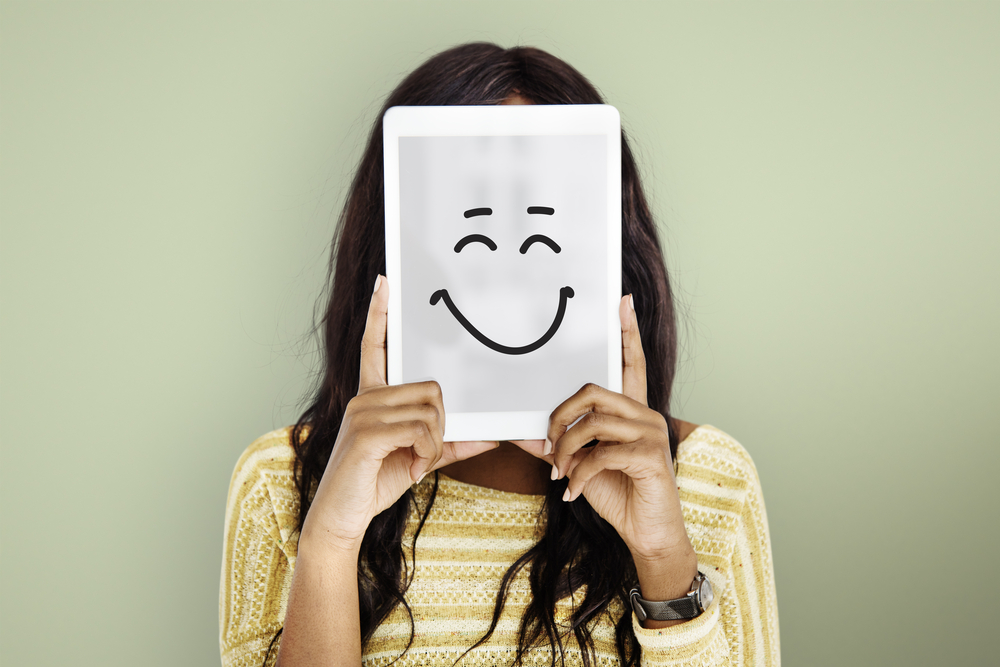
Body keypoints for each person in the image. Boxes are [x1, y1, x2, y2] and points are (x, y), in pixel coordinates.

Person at [219, 42, 779, 667]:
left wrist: (663, 557)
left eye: (544, 231)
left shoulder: (709, 481)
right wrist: (329, 541)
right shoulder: (280, 483)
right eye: (471, 231)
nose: (509, 271)